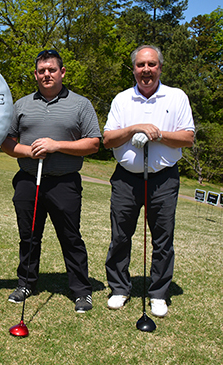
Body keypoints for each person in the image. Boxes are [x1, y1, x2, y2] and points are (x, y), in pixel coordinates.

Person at [1, 50, 101, 313]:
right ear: (36, 75)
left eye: (52, 70)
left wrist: (57, 145)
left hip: (64, 182)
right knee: (29, 236)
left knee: (70, 237)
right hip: (27, 180)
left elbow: (93, 143)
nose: (46, 74)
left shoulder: (81, 104)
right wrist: (28, 151)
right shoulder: (21, 105)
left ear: (62, 72)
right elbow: (7, 142)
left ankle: (81, 290)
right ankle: (26, 282)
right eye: (42, 71)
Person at [103, 45, 195, 317]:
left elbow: (188, 138)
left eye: (151, 64)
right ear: (133, 69)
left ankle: (157, 293)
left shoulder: (176, 97)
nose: (146, 70)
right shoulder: (122, 99)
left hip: (163, 179)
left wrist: (156, 134)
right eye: (141, 65)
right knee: (120, 235)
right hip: (126, 179)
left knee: (163, 238)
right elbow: (108, 140)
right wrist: (134, 128)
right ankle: (119, 288)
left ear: (160, 68)